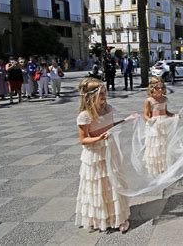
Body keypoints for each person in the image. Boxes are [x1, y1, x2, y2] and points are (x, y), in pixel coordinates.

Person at [75, 77, 130, 233]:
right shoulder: (85, 115)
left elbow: (110, 126)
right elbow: (83, 139)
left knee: (113, 181)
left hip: (109, 149)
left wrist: (125, 121)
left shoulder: (108, 109)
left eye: (105, 93)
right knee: (100, 185)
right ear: (90, 96)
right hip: (95, 153)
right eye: (101, 94)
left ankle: (119, 216)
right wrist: (99, 138)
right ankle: (102, 216)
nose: (104, 96)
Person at [143, 77, 175, 175]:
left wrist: (173, 115)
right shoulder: (149, 100)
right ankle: (155, 167)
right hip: (155, 125)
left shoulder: (165, 99)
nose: (160, 90)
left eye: (162, 88)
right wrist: (150, 120)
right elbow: (145, 115)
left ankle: (164, 165)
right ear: (152, 89)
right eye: (157, 88)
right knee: (155, 146)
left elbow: (165, 111)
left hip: (164, 124)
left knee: (164, 145)